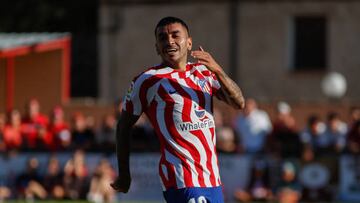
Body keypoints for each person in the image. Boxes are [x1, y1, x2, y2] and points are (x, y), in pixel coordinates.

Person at [110, 16, 245, 203]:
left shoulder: (204, 72)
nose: (169, 41)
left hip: (212, 179)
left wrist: (218, 70)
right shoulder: (148, 81)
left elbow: (239, 103)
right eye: (163, 38)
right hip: (181, 178)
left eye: (175, 35)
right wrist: (124, 174)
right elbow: (123, 126)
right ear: (157, 47)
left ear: (189, 43)